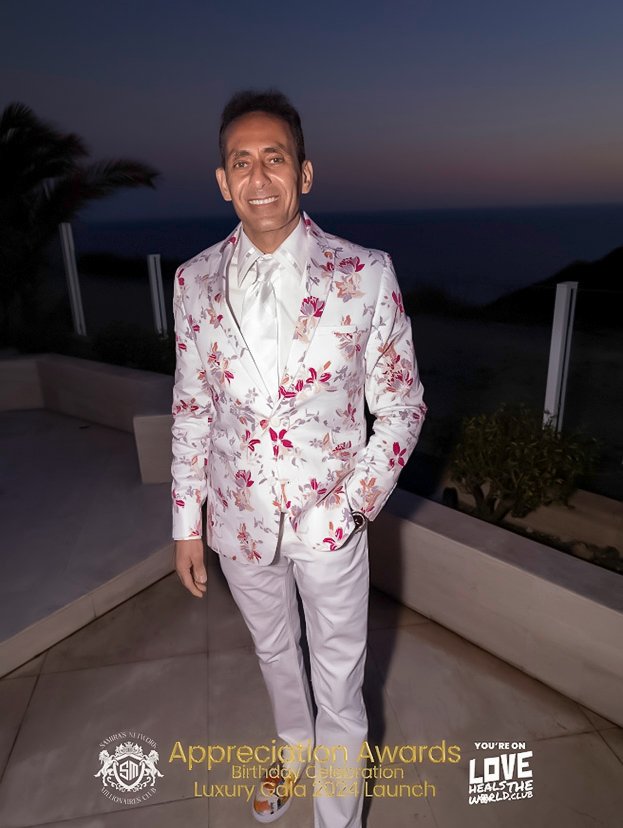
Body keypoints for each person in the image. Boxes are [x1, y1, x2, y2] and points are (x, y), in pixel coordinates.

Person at [171, 89, 426, 828]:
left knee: (339, 681)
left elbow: (402, 407)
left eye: (274, 158)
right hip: (237, 520)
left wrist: (348, 508)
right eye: (240, 161)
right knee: (275, 653)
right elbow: (191, 408)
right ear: (222, 181)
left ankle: (336, 817)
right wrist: (187, 523)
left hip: (331, 524)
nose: (257, 176)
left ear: (303, 173)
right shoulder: (191, 281)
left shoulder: (365, 273)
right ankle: (291, 746)